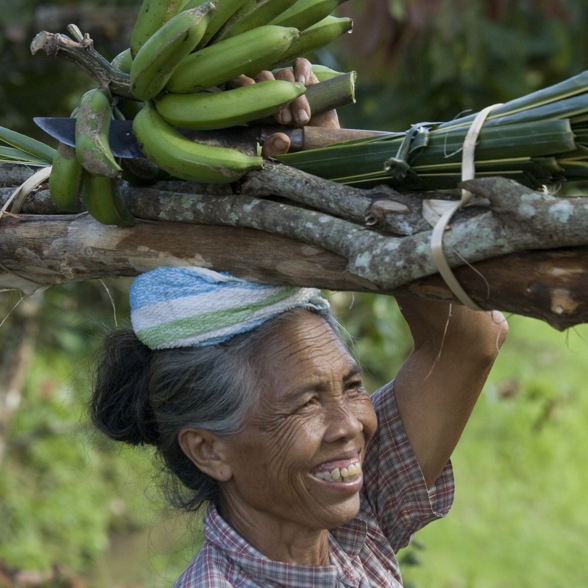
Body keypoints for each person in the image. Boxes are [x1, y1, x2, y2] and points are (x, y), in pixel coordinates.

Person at [89, 60, 509, 587]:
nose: (352, 427)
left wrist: (334, 163)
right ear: (209, 449)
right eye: (307, 401)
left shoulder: (348, 522)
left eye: (352, 386)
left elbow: (469, 342)